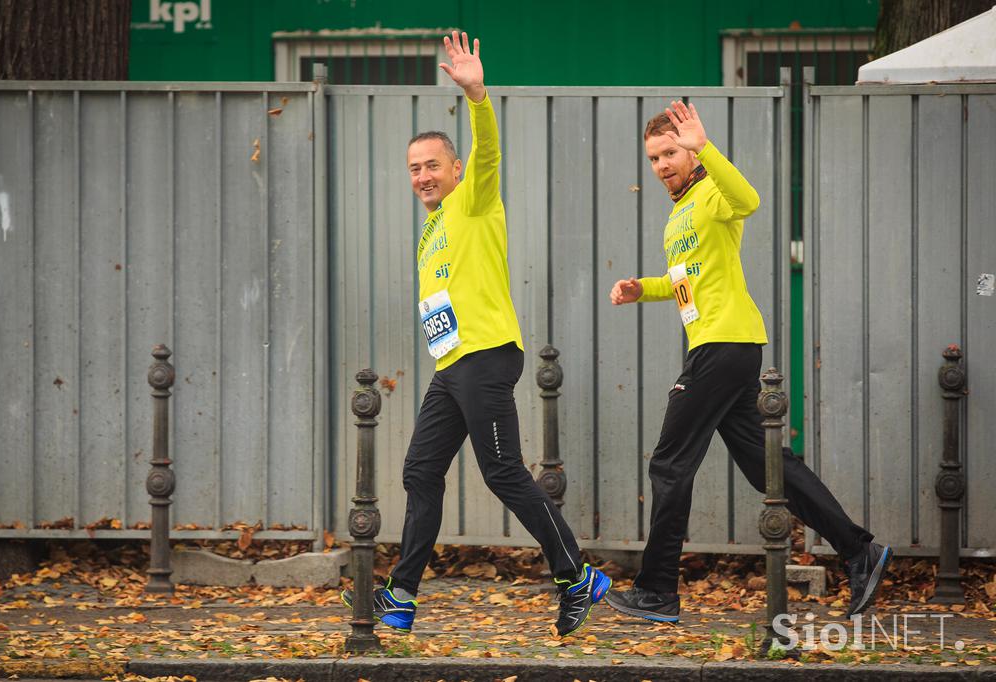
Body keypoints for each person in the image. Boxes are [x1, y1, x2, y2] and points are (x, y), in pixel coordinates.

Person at [342, 32, 610, 637]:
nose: (423, 177)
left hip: (486, 357)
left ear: (454, 168)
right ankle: (404, 594)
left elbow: (488, 150)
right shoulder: (432, 228)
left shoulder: (474, 201)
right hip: (454, 365)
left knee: (502, 472)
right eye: (414, 169)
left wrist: (476, 94)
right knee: (419, 472)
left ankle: (577, 575)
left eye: (432, 165)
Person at [605, 101, 891, 624]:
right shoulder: (679, 212)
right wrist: (639, 288)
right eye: (654, 157)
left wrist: (704, 146)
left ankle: (657, 591)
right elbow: (686, 279)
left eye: (670, 153)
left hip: (723, 346)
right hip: (726, 347)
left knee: (669, 463)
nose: (662, 164)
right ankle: (860, 551)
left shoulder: (712, 190)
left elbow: (750, 198)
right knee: (769, 468)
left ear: (688, 152)